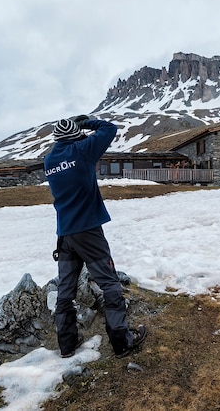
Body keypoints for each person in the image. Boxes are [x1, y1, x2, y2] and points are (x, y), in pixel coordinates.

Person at [44, 115, 147, 358]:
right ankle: (122, 341)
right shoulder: (81, 151)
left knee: (65, 291)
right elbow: (110, 128)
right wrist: (87, 123)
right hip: (89, 231)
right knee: (109, 283)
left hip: (65, 234)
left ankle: (67, 344)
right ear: (76, 137)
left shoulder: (49, 160)